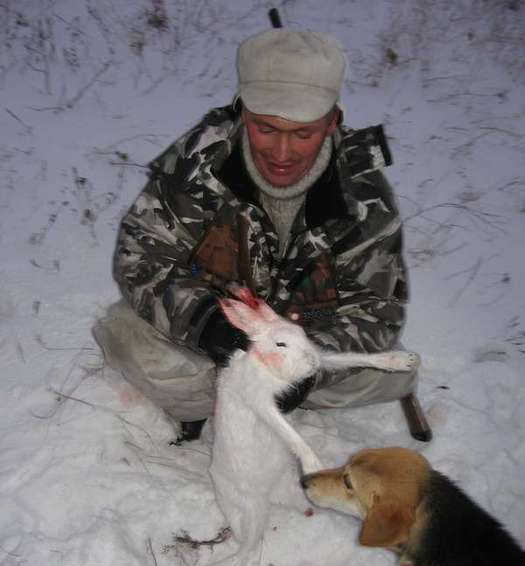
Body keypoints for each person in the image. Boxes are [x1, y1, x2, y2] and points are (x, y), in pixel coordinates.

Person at [93, 28, 431, 444]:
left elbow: (376, 310)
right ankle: (201, 404)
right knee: (125, 332)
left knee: (387, 374)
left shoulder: (363, 197)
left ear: (331, 124)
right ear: (241, 112)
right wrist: (205, 324)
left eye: (303, 133)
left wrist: (305, 368)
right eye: (265, 128)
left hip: (304, 333)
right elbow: (139, 258)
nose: (282, 153)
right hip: (217, 327)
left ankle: (263, 395)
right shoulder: (198, 164)